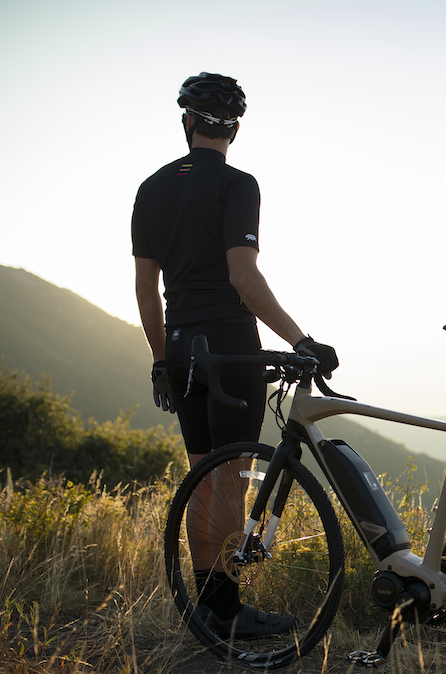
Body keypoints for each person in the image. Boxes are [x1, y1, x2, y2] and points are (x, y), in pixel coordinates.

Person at [132, 72, 338, 639]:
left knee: (203, 477)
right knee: (232, 477)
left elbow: (147, 290)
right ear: (235, 129)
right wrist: (301, 341)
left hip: (179, 349)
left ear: (187, 121)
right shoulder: (238, 184)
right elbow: (242, 278)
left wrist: (159, 359)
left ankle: (211, 605)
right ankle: (225, 611)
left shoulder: (150, 189)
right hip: (229, 350)